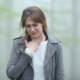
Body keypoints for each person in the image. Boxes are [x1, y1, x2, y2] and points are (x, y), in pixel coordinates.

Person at [6, 6, 65, 80]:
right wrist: (28, 53)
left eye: (35, 25)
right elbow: (11, 75)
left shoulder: (56, 45)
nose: (32, 29)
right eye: (28, 26)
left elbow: (60, 76)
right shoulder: (18, 44)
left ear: (42, 23)